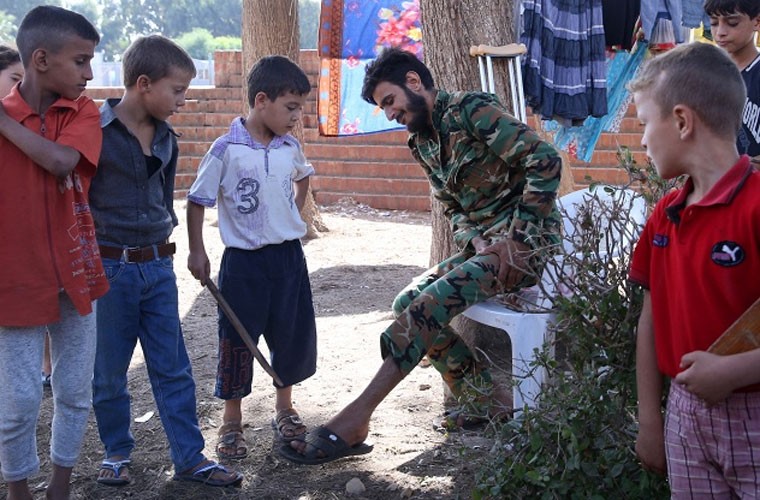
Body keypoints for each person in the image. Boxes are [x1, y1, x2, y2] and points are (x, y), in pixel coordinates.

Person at [282, 47, 563, 465]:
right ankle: (488, 399)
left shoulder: (472, 111)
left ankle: (358, 416)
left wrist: (518, 238)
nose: (389, 113)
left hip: (529, 245)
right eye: (383, 107)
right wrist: (478, 240)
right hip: (487, 251)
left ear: (414, 82)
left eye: (390, 101)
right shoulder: (421, 143)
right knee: (404, 302)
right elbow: (452, 207)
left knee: (427, 307)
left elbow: (544, 160)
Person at [89, 35, 242, 488]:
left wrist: (187, 249)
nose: (183, 99)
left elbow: (164, 201)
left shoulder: (167, 139)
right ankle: (117, 452)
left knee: (172, 366)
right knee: (108, 371)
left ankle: (190, 458)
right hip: (108, 270)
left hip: (158, 269)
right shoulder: (93, 135)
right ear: (142, 84)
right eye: (176, 90)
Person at [629, 42, 760, 497]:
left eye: (645, 123)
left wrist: (735, 371)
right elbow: (649, 318)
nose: (642, 140)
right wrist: (650, 419)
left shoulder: (757, 207)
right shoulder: (663, 213)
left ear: (682, 121)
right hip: (683, 417)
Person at [186, 54, 317, 461]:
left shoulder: (289, 147)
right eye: (290, 107)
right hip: (244, 265)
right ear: (262, 100)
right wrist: (196, 250)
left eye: (299, 108)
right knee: (238, 340)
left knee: (290, 333)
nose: (297, 117)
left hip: (289, 259)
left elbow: (304, 175)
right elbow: (197, 201)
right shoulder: (226, 150)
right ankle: (231, 421)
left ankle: (284, 409)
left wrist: (293, 211)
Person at [0, 6, 107, 500]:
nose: (89, 74)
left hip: (76, 271)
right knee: (19, 399)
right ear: (40, 59)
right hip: (14, 277)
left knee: (74, 390)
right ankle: (18, 488)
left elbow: (63, 159)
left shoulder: (82, 112)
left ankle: (60, 486)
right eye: (81, 61)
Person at [705, 0, 760, 166]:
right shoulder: (708, 75)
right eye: (714, 23)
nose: (720, 32)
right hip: (718, 185)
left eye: (732, 23)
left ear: (756, 21)